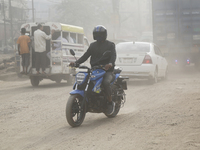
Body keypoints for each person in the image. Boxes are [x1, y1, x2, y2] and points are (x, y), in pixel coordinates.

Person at [70, 25, 116, 115]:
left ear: (104, 35)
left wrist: (110, 64)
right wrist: (76, 63)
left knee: (106, 82)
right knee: (85, 81)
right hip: (95, 70)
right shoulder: (92, 45)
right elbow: (85, 56)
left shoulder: (110, 45)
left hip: (107, 71)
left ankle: (110, 102)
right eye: (96, 34)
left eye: (100, 34)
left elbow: (113, 56)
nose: (98, 36)